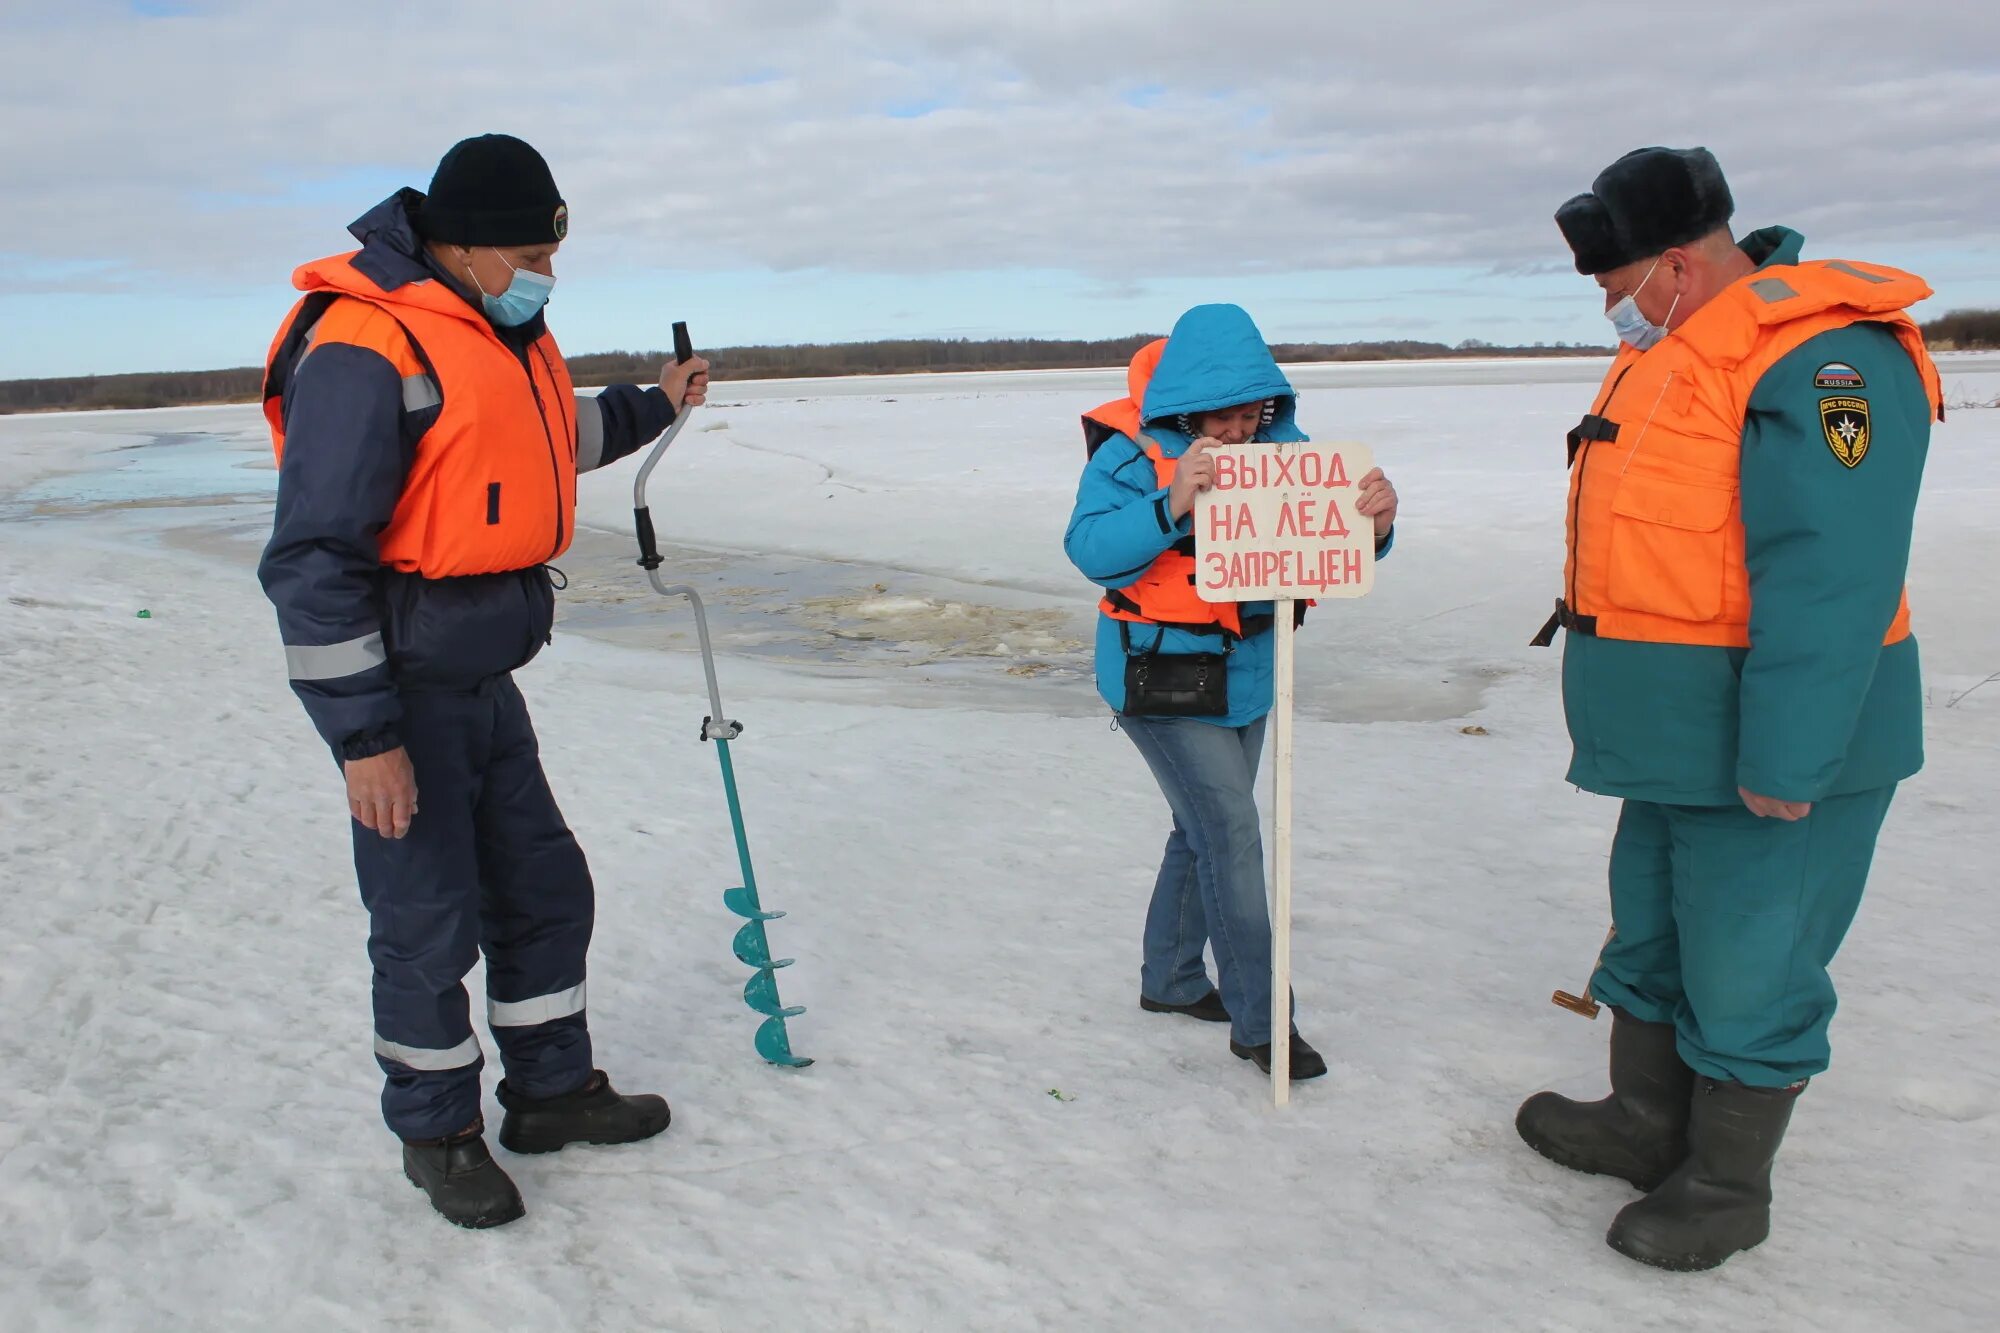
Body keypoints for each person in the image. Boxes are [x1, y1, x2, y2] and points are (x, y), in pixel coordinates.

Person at [257, 134, 711, 1229]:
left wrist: (657, 401)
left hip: (482, 677)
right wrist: (365, 738)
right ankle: (438, 1134)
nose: (545, 274)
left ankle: (548, 1093)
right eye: (528, 253)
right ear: (463, 247)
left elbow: (551, 440)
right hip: (401, 688)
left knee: (543, 889)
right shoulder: (369, 345)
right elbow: (314, 561)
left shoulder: (497, 334)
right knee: (425, 923)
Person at [1516, 147, 1942, 1270]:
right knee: (1649, 929)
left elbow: (1831, 571)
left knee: (1753, 961)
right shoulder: (1683, 351)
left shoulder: (1824, 359)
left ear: (1668, 267)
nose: (1613, 314)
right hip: (1674, 735)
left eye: (1615, 292)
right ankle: (1643, 1122)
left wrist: (1790, 755)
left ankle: (1723, 1184)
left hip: (1780, 740)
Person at [1064, 304, 1398, 1081]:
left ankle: (1172, 979)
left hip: (1249, 673)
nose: (1243, 430)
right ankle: (1263, 1024)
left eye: (1254, 412)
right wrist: (1172, 502)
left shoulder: (1289, 452)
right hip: (1159, 673)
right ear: (1187, 407)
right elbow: (1089, 549)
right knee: (1232, 838)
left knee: (1202, 830)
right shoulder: (1128, 455)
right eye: (1227, 416)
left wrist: (1378, 522)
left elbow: (1334, 541)